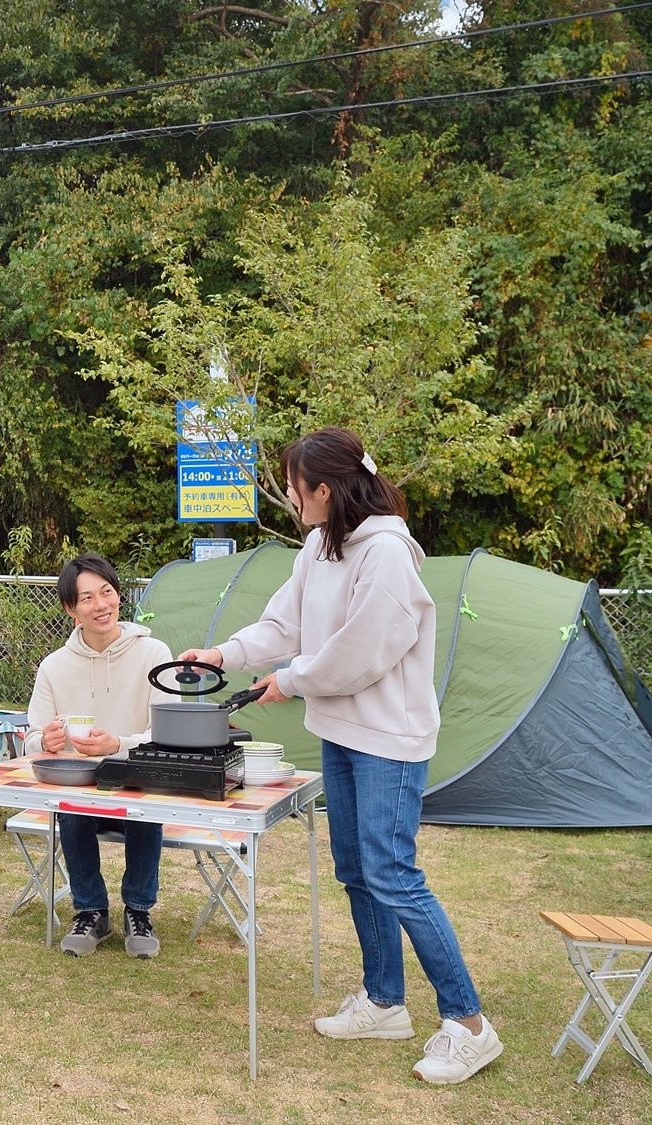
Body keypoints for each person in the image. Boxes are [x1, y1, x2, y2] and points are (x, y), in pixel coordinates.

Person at [178, 426, 503, 1085]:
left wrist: (290, 680)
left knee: (393, 872)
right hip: (345, 736)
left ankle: (468, 1023)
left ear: (325, 489)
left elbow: (360, 656)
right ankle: (384, 1000)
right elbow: (282, 625)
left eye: (298, 488)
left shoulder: (386, 554)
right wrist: (224, 654)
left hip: (389, 740)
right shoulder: (319, 547)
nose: (293, 497)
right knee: (356, 869)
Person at [25, 552, 177, 958]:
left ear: (118, 596)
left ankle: (139, 910)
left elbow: (166, 733)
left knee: (143, 802)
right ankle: (90, 909)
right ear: (71, 609)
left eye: (106, 592)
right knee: (71, 807)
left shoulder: (154, 654)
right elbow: (31, 739)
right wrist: (48, 742)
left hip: (136, 773)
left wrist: (118, 745)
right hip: (82, 780)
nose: (101, 605)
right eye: (87, 598)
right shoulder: (54, 666)